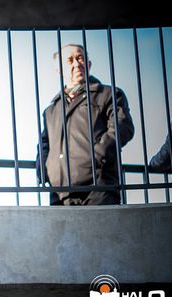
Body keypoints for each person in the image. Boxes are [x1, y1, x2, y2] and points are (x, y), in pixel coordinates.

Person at [37, 44, 135, 205]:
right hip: (60, 194)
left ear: (88, 64)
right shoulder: (51, 109)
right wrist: (44, 171)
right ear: (59, 70)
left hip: (99, 190)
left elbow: (122, 126)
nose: (76, 64)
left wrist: (96, 156)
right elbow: (44, 143)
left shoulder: (108, 94)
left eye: (80, 58)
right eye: (70, 60)